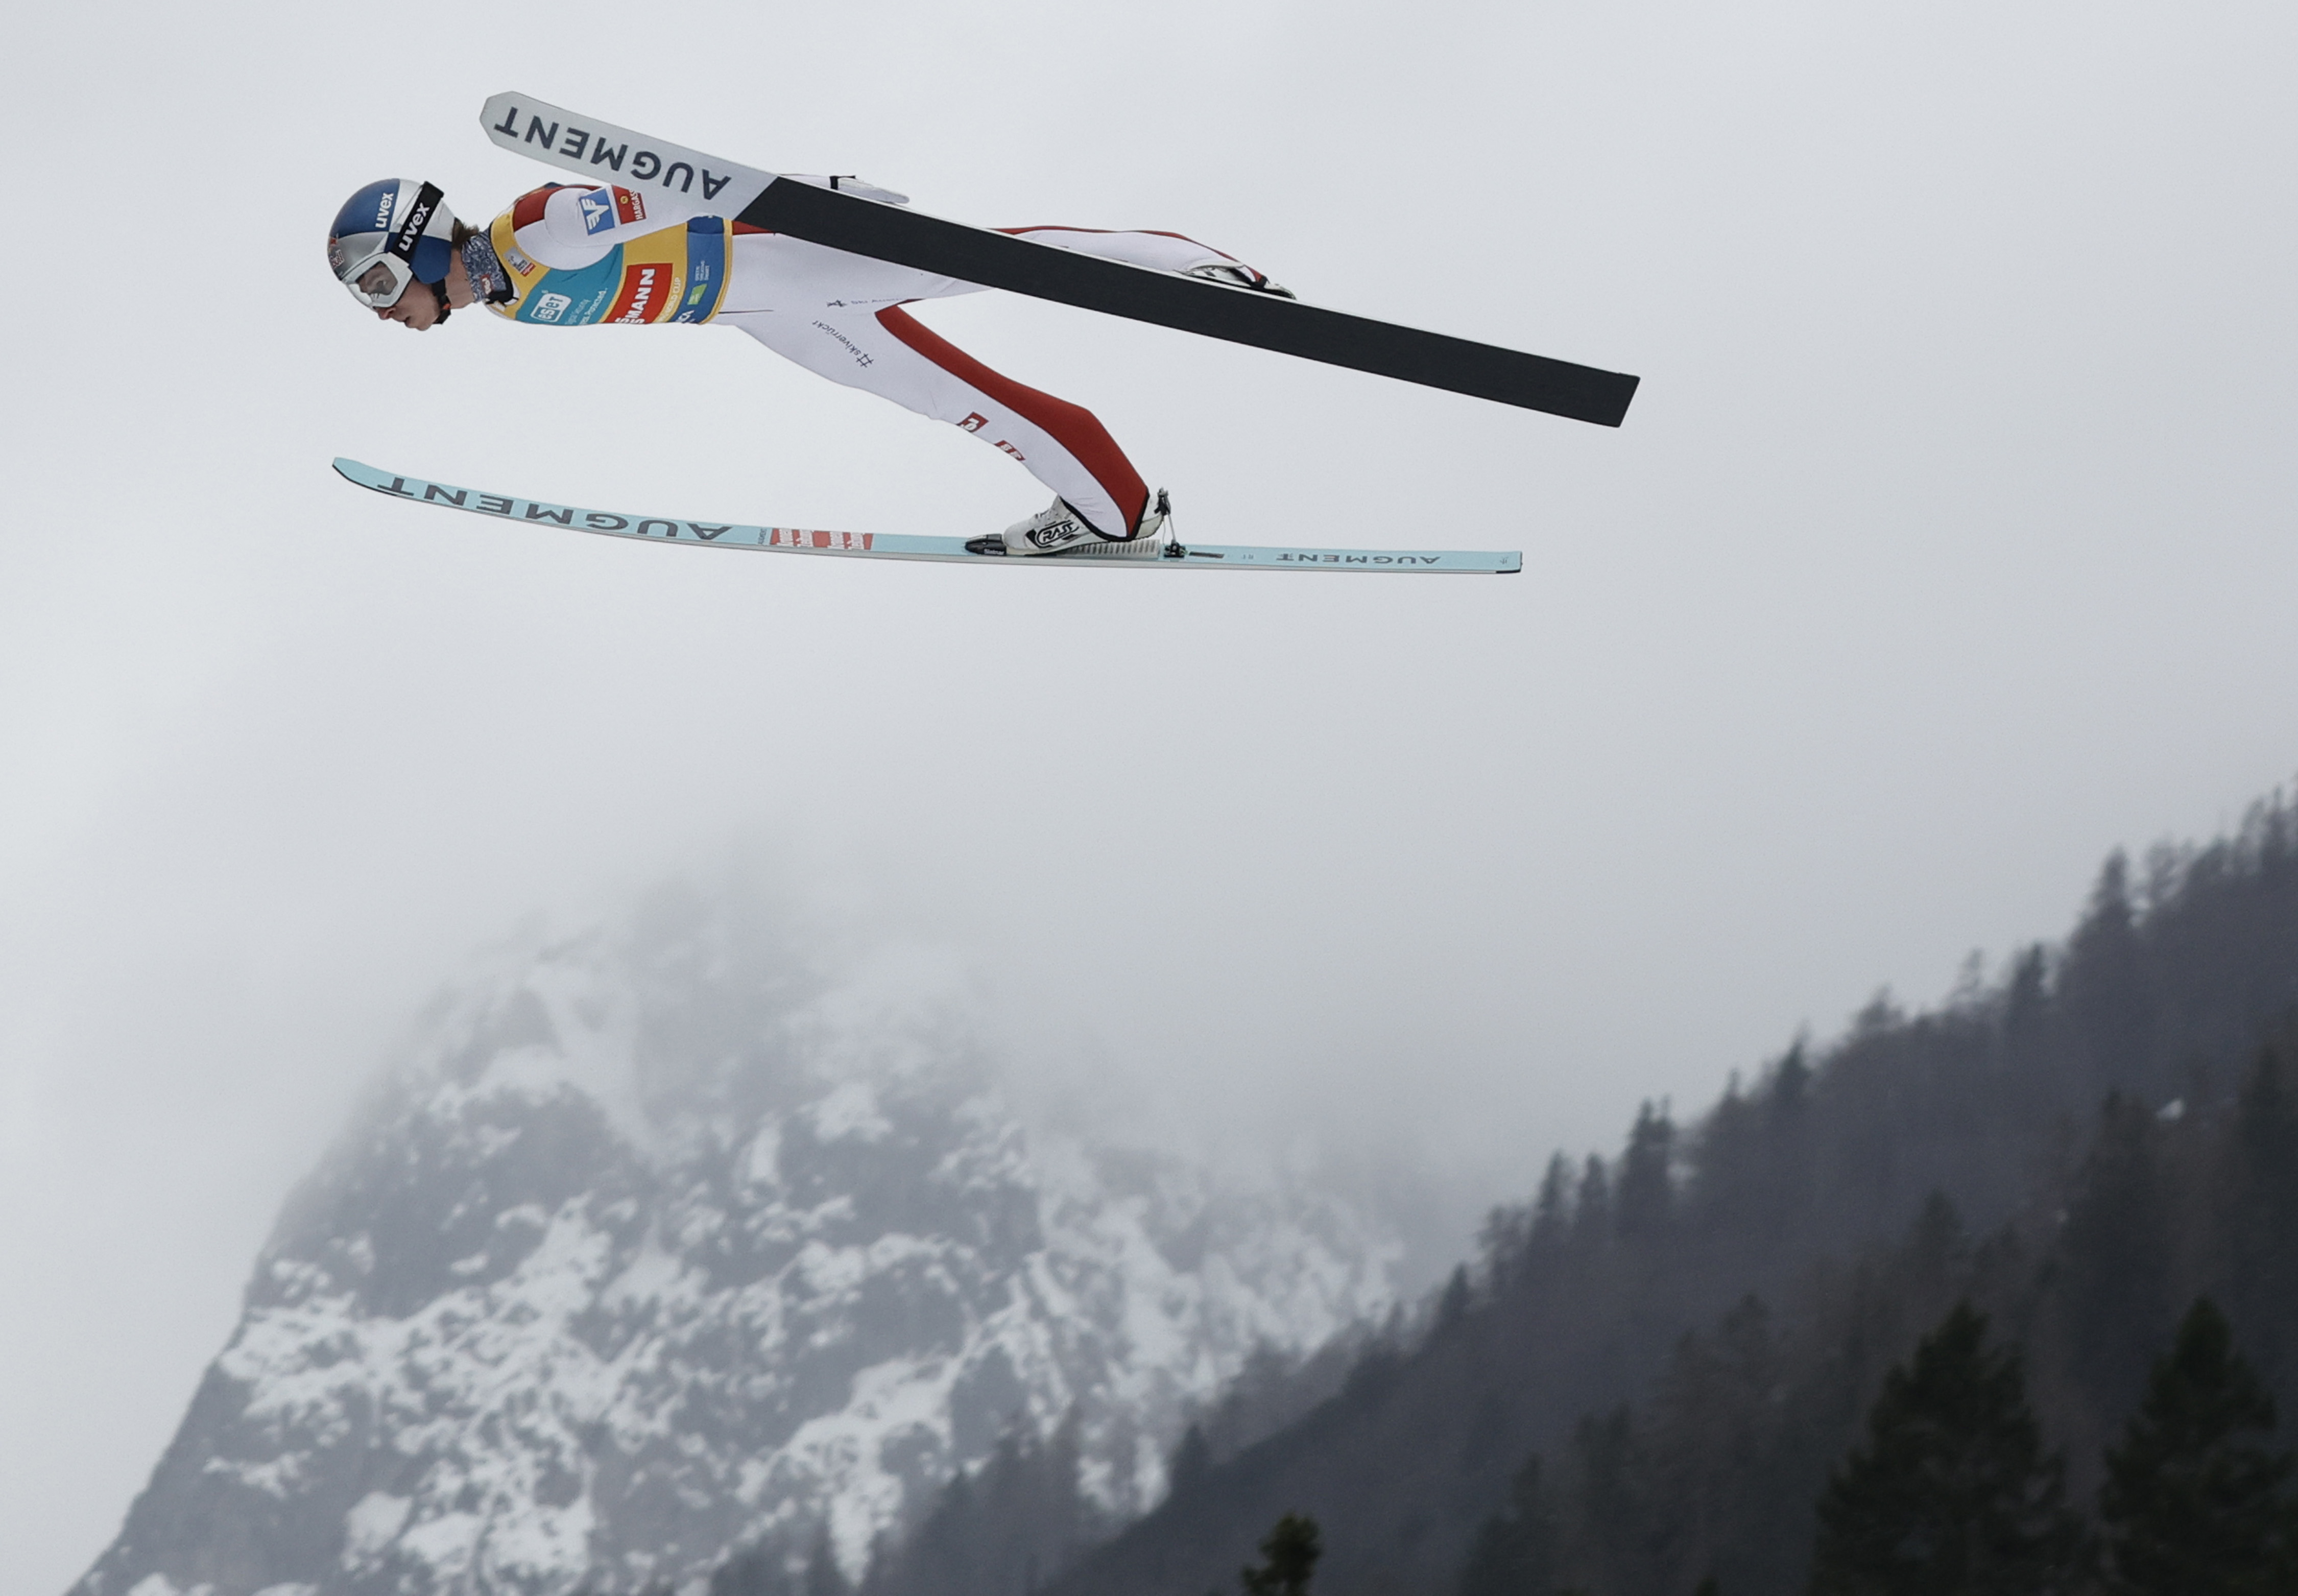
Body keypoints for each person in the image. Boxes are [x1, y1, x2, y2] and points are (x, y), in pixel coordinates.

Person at [326, 176, 1291, 556]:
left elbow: (685, 190)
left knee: (992, 261)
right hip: (762, 313)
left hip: (788, 258)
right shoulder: (509, 296)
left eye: (378, 285)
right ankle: (1117, 514)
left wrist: (822, 201)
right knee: (953, 399)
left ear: (417, 245)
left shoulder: (537, 230)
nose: (386, 313)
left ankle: (1198, 267)